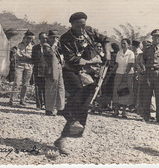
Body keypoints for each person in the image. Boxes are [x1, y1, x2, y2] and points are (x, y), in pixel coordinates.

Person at [55, 12, 110, 155]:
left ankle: (63, 138)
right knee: (78, 91)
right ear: (71, 25)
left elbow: (105, 40)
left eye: (83, 25)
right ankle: (66, 112)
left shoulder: (89, 31)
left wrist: (107, 54)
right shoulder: (65, 38)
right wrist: (94, 61)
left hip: (87, 72)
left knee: (85, 103)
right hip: (71, 71)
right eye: (77, 25)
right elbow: (72, 59)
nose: (81, 28)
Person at [9, 30, 35, 106]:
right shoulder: (20, 45)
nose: (28, 40)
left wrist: (24, 55)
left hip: (29, 65)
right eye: (27, 38)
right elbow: (18, 55)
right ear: (24, 38)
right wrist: (26, 56)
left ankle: (22, 99)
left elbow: (33, 57)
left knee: (25, 84)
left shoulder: (33, 47)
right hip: (20, 65)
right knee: (16, 82)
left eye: (30, 38)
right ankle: (12, 99)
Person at [43, 30, 65, 116]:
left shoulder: (57, 47)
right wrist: (54, 45)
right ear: (48, 37)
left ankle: (60, 108)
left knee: (60, 88)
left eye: (57, 37)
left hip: (58, 69)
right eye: (53, 37)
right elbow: (50, 54)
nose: (55, 39)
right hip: (51, 70)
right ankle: (49, 109)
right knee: (51, 89)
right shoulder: (46, 46)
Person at [112, 38, 135, 118]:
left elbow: (130, 64)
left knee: (126, 91)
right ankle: (116, 110)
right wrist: (112, 72)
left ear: (128, 45)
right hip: (119, 73)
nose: (123, 45)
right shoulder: (119, 52)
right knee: (116, 90)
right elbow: (117, 64)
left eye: (124, 43)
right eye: (122, 43)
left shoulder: (131, 53)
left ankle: (124, 112)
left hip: (128, 74)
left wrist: (126, 73)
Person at [141, 29, 159, 122]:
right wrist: (143, 68)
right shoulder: (148, 50)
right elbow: (143, 60)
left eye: (158, 37)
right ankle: (146, 116)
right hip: (148, 73)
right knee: (147, 95)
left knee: (158, 95)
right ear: (152, 38)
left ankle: (158, 117)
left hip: (158, 72)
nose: (156, 38)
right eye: (155, 37)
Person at [32, 32, 47, 111]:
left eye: (45, 38)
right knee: (38, 88)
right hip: (38, 70)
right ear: (39, 39)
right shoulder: (35, 48)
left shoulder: (49, 47)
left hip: (46, 71)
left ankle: (46, 104)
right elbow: (33, 59)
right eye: (42, 38)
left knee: (46, 88)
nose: (44, 40)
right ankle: (39, 105)